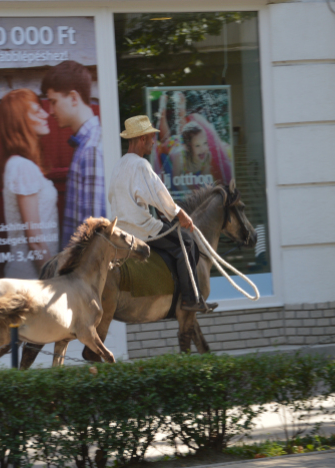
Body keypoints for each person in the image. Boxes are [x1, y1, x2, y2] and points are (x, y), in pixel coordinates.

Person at [108, 115, 217, 313]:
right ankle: (189, 299)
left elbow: (116, 197)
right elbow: (161, 196)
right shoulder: (141, 165)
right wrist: (180, 214)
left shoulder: (119, 165)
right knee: (187, 242)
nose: (153, 142)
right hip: (141, 230)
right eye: (151, 138)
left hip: (120, 230)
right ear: (141, 139)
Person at [40, 61, 105, 249]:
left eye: (53, 102)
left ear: (74, 98)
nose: (50, 111)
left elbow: (94, 234)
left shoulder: (92, 149)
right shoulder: (86, 144)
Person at [0, 89, 59, 279]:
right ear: (20, 120)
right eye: (37, 110)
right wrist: (55, 283)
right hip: (31, 279)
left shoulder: (20, 164)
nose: (46, 114)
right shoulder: (23, 167)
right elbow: (36, 242)